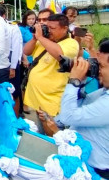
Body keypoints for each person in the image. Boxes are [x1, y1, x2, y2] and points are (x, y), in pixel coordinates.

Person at [40, 40, 109, 179]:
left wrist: (74, 81)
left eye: (100, 66)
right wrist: (81, 81)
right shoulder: (103, 93)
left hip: (95, 170)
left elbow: (68, 116)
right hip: (80, 161)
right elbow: (80, 104)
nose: (98, 70)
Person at [23, 14, 79, 131]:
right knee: (42, 134)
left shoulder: (71, 43)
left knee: (55, 137)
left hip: (53, 103)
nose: (49, 31)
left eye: (52, 28)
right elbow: (26, 51)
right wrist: (35, 38)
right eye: (47, 27)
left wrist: (41, 38)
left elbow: (60, 54)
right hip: (38, 100)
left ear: (64, 28)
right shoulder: (45, 40)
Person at [0, 6, 23, 117]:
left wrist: (13, 67)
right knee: (0, 92)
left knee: (14, 92)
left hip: (11, 61)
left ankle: (15, 119)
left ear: (3, 16)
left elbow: (16, 48)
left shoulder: (12, 27)